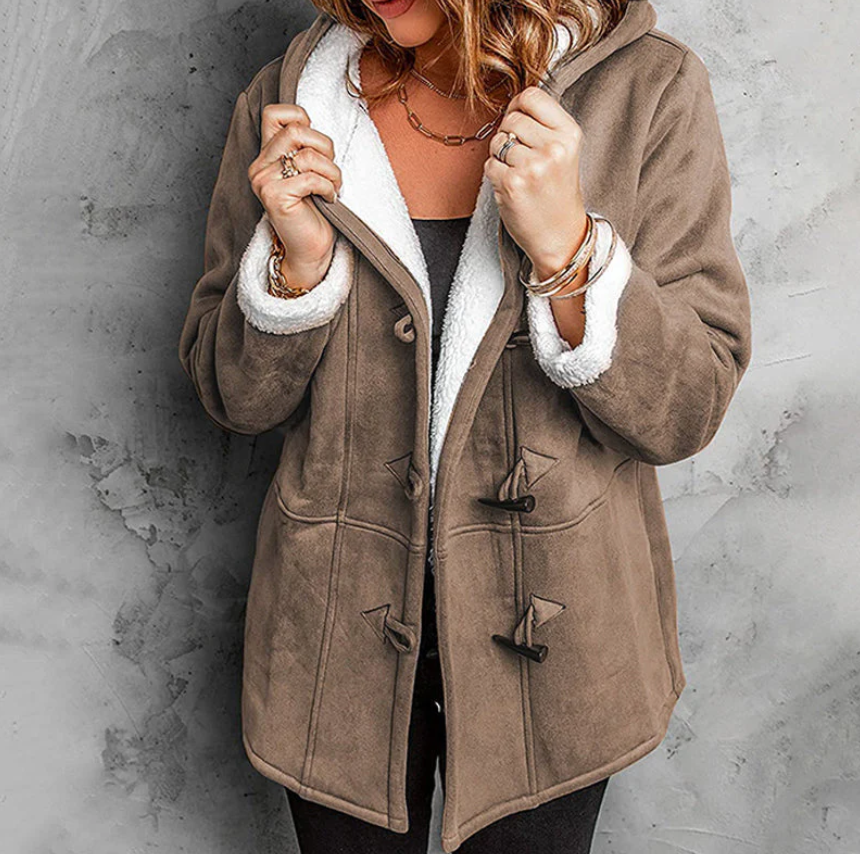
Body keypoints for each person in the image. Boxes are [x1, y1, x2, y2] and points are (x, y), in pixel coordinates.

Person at [178, 0, 753, 852]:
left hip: (559, 632)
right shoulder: (293, 99)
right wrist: (296, 266)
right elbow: (234, 400)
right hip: (331, 636)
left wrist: (569, 254)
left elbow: (687, 408)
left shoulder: (647, 89)